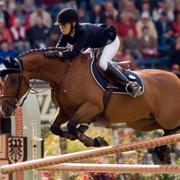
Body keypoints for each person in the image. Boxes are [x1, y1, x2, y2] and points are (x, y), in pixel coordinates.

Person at [45, 8, 141, 96]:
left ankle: (130, 84)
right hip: (95, 45)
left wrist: (59, 54)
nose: (61, 28)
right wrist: (51, 53)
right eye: (60, 25)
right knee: (83, 61)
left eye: (64, 25)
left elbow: (74, 53)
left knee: (102, 64)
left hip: (110, 42)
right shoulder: (66, 33)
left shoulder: (82, 32)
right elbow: (59, 48)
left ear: (73, 23)